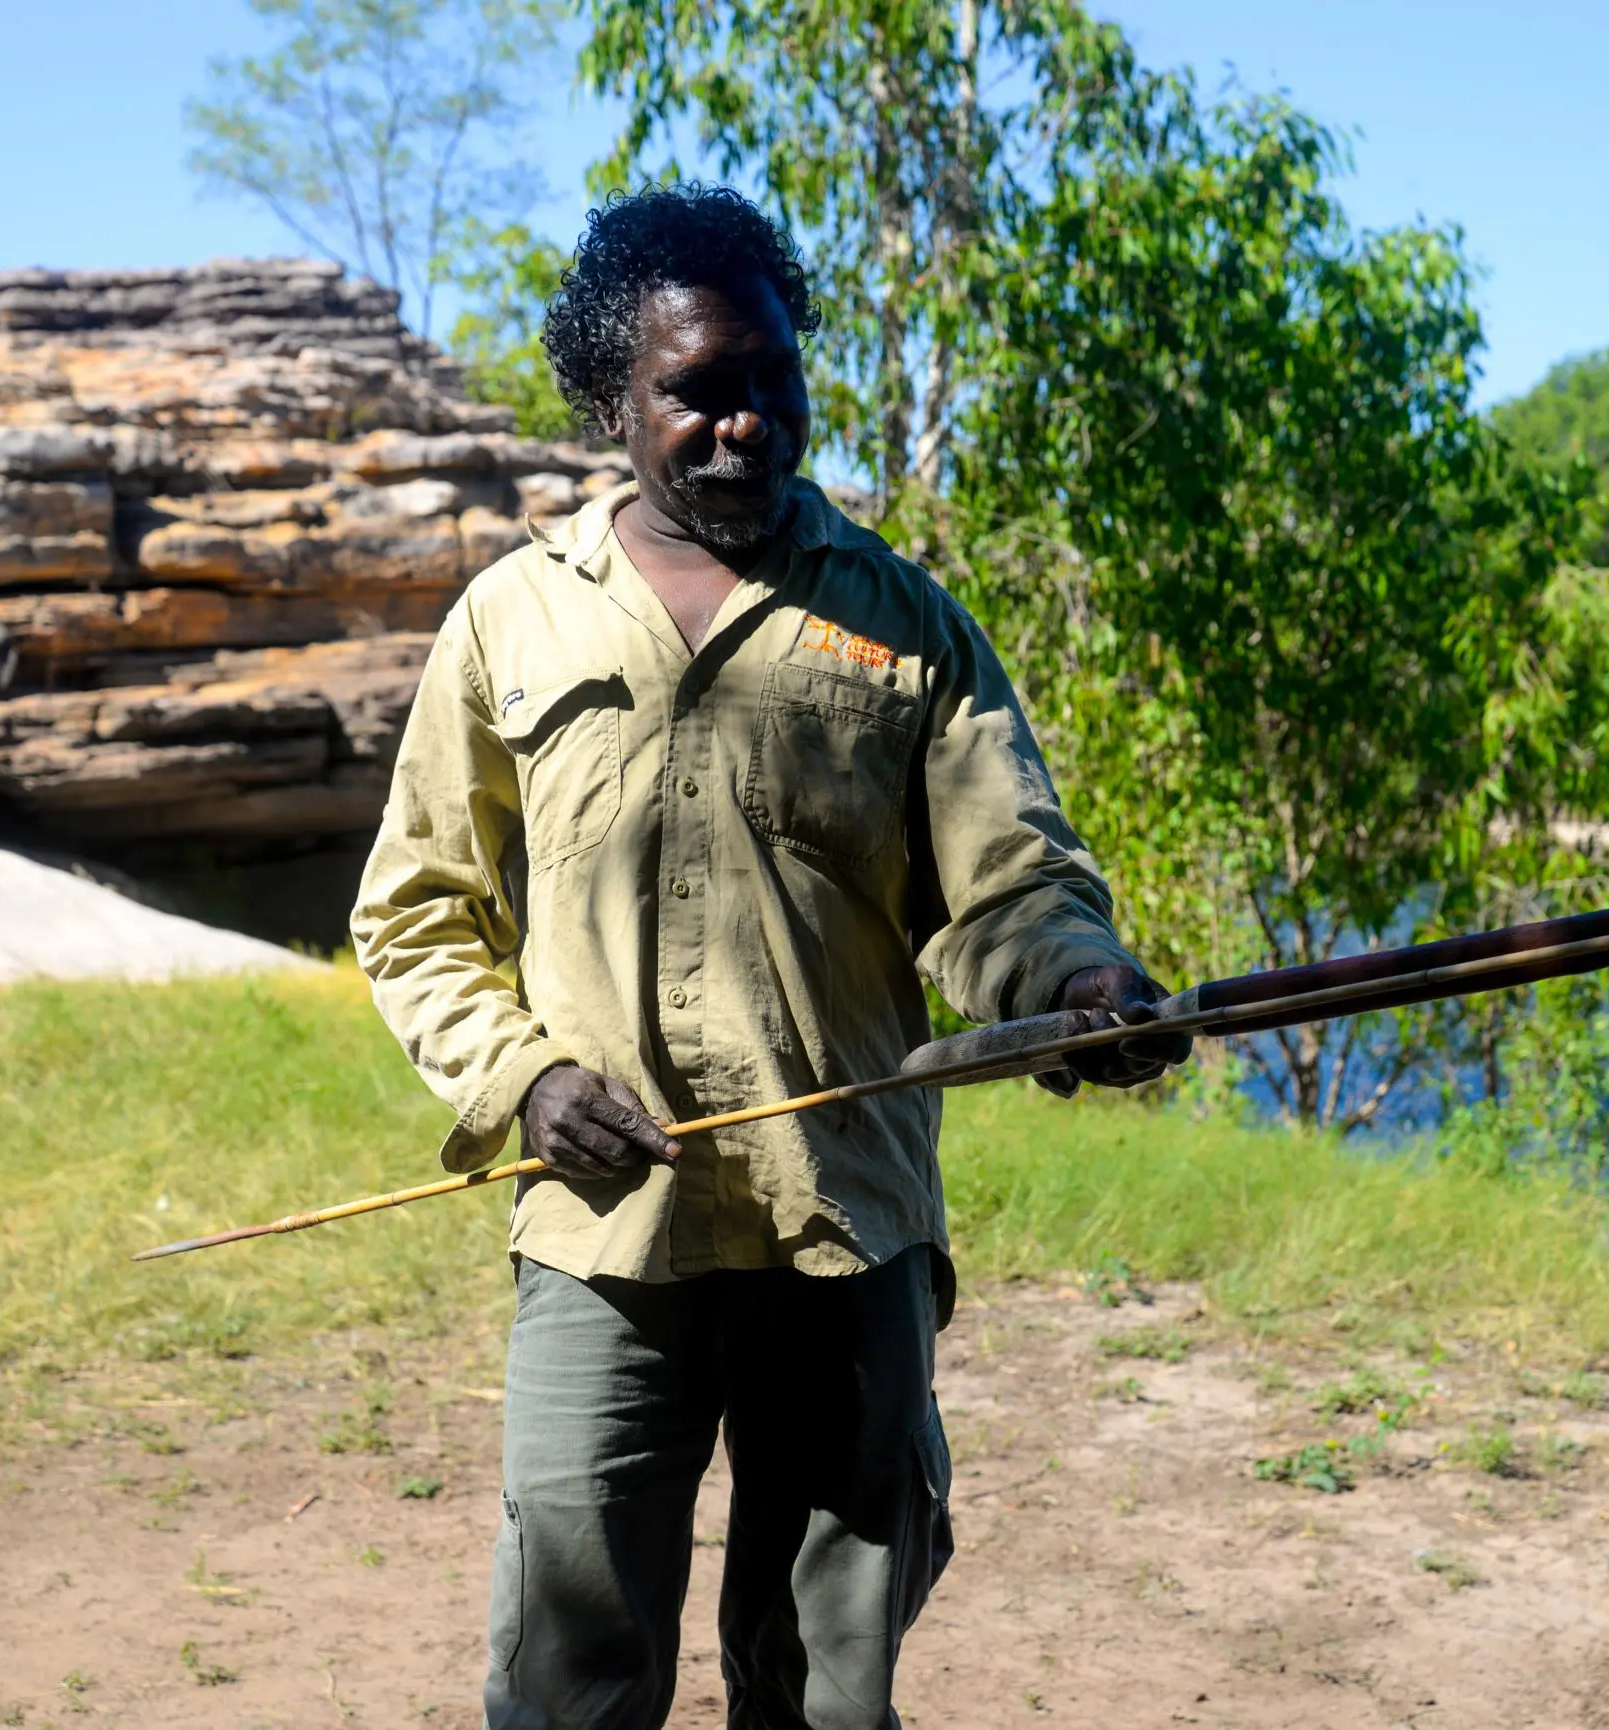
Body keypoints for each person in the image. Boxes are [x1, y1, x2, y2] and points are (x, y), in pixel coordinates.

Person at [350, 183, 1188, 1730]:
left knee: (821, 1685)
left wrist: (1079, 986)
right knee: (568, 1675)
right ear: (614, 402)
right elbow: (415, 913)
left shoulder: (904, 627)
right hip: (609, 1238)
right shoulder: (509, 624)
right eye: (698, 390)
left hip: (844, 1225)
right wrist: (526, 1078)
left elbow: (1007, 882)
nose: (745, 421)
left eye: (772, 380)